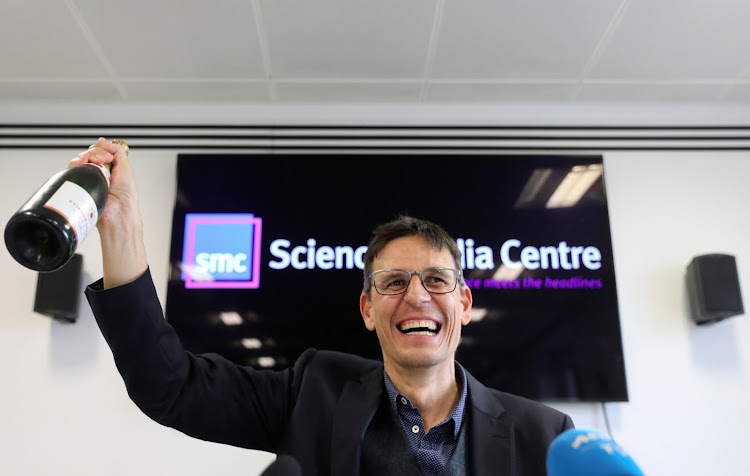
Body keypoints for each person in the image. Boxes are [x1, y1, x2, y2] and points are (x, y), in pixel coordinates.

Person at [77, 138, 574, 476]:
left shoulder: (546, 435)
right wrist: (122, 227)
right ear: (367, 308)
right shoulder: (312, 392)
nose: (417, 296)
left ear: (464, 303)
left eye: (437, 280)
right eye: (394, 281)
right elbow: (170, 387)